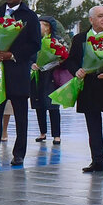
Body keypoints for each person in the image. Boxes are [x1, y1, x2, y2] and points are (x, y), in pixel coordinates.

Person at [0, 0, 39, 166]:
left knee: (20, 116)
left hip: (18, 72)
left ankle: (19, 153)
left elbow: (35, 43)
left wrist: (12, 55)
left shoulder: (29, 16)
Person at [67, 5, 103, 174]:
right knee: (93, 127)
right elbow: (71, 60)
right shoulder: (80, 39)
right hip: (89, 87)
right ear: (91, 20)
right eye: (100, 16)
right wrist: (76, 70)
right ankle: (97, 160)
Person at [29, 15, 64, 144]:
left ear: (48, 27)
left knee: (53, 105)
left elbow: (63, 57)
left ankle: (56, 135)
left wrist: (53, 63)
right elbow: (27, 56)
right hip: (37, 76)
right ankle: (42, 132)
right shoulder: (34, 41)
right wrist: (32, 64)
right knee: (39, 104)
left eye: (41, 24)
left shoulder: (56, 41)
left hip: (51, 76)